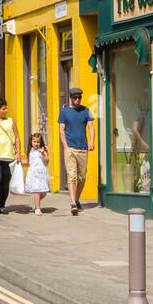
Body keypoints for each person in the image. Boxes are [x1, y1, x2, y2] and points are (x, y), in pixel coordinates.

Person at [58, 87, 96, 216]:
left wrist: (92, 141)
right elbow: (61, 130)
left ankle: (77, 199)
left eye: (79, 97)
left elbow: (91, 126)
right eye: (75, 97)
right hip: (70, 148)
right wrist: (65, 146)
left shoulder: (86, 111)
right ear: (70, 98)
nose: (77, 99)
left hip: (83, 148)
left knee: (82, 177)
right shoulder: (64, 112)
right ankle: (73, 203)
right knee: (72, 176)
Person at [25, 132, 51, 215]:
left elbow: (46, 161)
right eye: (34, 142)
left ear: (41, 142)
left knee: (44, 192)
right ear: (31, 142)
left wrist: (43, 153)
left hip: (42, 173)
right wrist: (18, 162)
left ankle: (37, 203)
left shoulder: (42, 150)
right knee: (37, 191)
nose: (36, 144)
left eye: (38, 142)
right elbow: (26, 161)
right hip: (33, 173)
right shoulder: (29, 151)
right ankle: (38, 208)